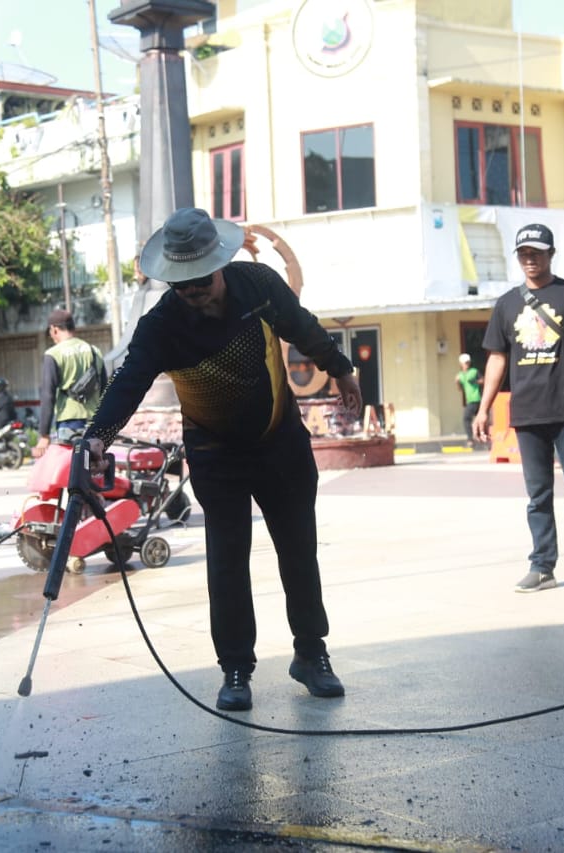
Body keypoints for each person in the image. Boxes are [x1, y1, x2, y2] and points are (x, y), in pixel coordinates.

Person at [82, 207, 363, 712]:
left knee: (298, 549)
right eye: (182, 284)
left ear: (219, 262)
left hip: (279, 441)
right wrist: (97, 437)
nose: (194, 291)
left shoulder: (258, 285)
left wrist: (341, 369)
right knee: (228, 560)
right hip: (215, 452)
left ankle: (311, 653)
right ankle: (235, 668)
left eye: (202, 280)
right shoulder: (161, 324)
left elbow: (302, 328)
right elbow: (128, 382)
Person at [472, 224, 564, 596]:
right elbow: (497, 359)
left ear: (551, 254)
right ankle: (542, 567)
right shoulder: (507, 304)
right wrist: (484, 408)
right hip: (528, 414)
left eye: (536, 252)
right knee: (538, 497)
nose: (530, 259)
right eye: (524, 253)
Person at [34, 308, 107, 451]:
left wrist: (44, 434)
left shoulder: (53, 354)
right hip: (95, 421)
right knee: (95, 462)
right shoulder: (94, 351)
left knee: (71, 462)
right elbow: (105, 388)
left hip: (69, 423)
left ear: (54, 330)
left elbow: (48, 395)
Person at [456, 353, 481, 447]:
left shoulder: (474, 371)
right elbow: (459, 389)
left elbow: (483, 380)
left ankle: (470, 439)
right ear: (461, 364)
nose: (467, 364)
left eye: (468, 362)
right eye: (465, 363)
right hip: (469, 400)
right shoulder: (460, 375)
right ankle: (479, 436)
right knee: (478, 419)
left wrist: (475, 381)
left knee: (466, 418)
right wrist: (457, 382)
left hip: (476, 398)